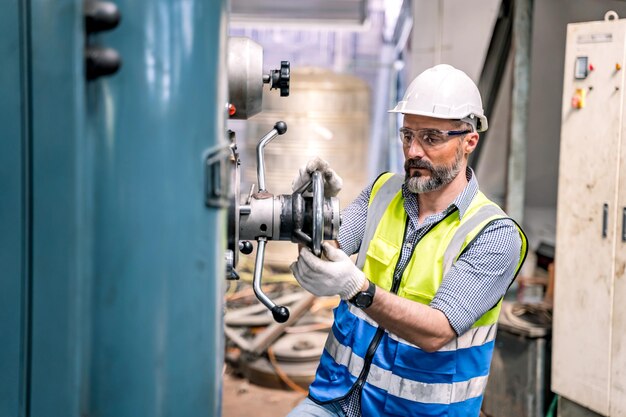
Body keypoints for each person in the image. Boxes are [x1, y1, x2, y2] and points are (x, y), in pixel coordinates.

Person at [287, 64, 528, 417]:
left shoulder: (493, 234)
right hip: (335, 398)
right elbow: (326, 258)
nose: (413, 150)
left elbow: (437, 331)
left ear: (469, 141)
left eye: (431, 137)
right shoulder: (382, 192)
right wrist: (309, 212)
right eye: (407, 135)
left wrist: (359, 289)